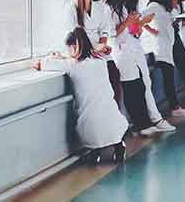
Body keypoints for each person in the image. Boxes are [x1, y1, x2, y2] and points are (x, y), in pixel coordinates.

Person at [34, 28, 127, 164]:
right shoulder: (101, 62)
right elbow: (82, 58)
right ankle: (119, 147)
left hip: (90, 125)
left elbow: (38, 64)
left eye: (69, 49)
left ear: (74, 47)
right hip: (114, 120)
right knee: (109, 119)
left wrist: (53, 57)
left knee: (92, 128)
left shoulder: (71, 66)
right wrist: (64, 57)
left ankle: (95, 150)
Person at [102, 0, 173, 136]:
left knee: (142, 85)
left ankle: (149, 120)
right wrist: (128, 23)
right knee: (131, 87)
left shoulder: (123, 8)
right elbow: (112, 34)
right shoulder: (106, 9)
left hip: (133, 48)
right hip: (121, 52)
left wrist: (139, 25)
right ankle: (141, 124)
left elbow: (132, 32)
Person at [141, 0, 185, 118]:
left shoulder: (164, 8)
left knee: (169, 78)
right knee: (168, 79)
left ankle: (174, 107)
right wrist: (151, 30)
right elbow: (139, 20)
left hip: (167, 47)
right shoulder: (154, 6)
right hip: (160, 49)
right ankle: (175, 108)